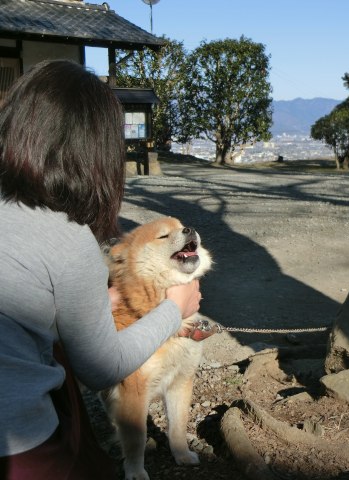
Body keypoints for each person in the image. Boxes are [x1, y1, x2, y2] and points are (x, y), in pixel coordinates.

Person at [0, 60, 202, 480]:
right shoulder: (67, 238)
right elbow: (101, 367)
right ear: (94, 153)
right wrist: (173, 309)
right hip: (16, 440)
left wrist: (84, 304)